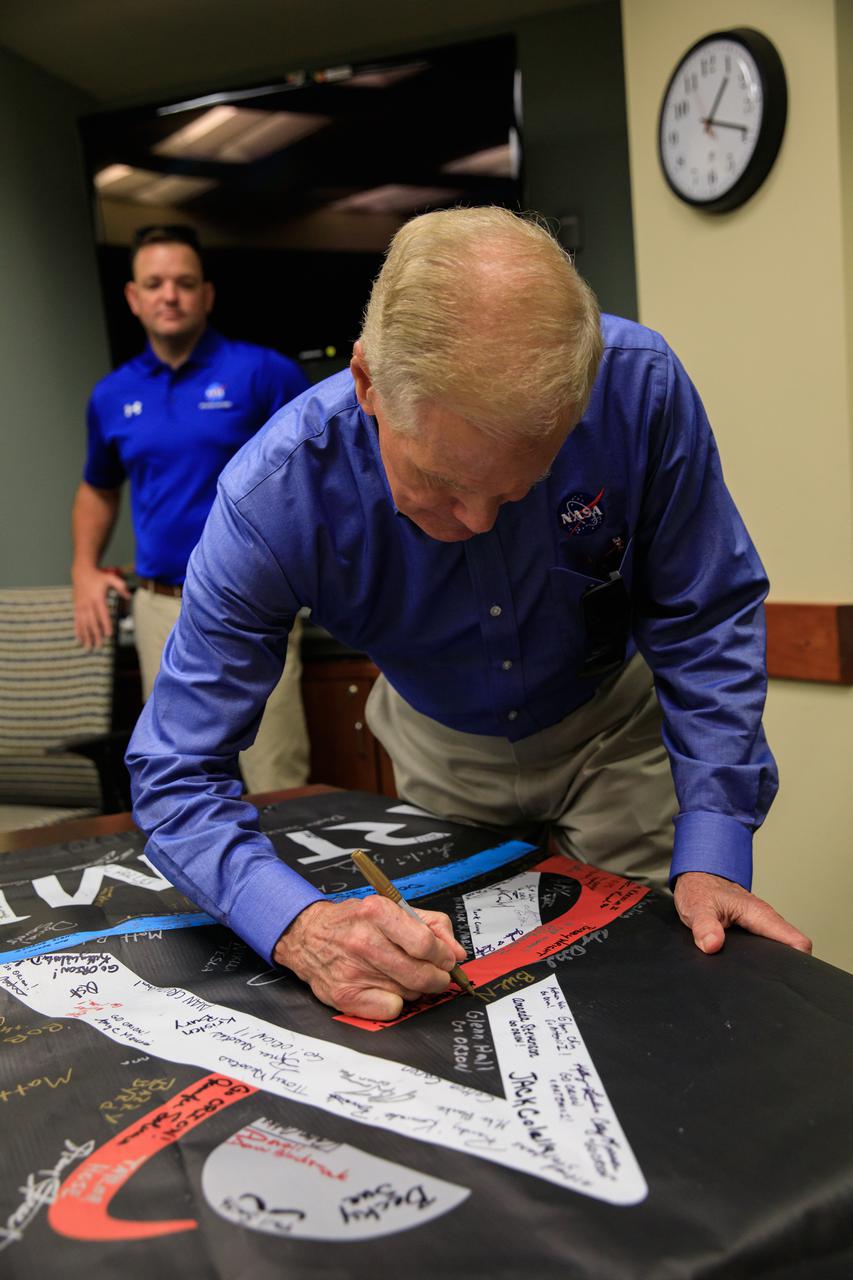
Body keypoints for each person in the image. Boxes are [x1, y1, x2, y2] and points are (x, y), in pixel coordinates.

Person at [127, 206, 811, 1022]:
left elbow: (703, 615)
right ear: (368, 383)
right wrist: (300, 925)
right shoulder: (274, 496)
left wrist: (714, 840)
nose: (479, 522)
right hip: (440, 748)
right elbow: (176, 770)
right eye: (443, 484)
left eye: (521, 486)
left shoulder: (637, 387)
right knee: (463, 1009)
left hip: (613, 730)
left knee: (651, 1001)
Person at [72, 223, 311, 792]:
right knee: (183, 776)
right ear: (134, 297)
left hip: (257, 604)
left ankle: (298, 884)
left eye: (183, 282)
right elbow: (98, 487)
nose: (169, 295)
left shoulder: (263, 374)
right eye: (154, 284)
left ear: (206, 294)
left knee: (276, 775)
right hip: (162, 609)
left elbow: (318, 472)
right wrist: (83, 566)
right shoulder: (111, 396)